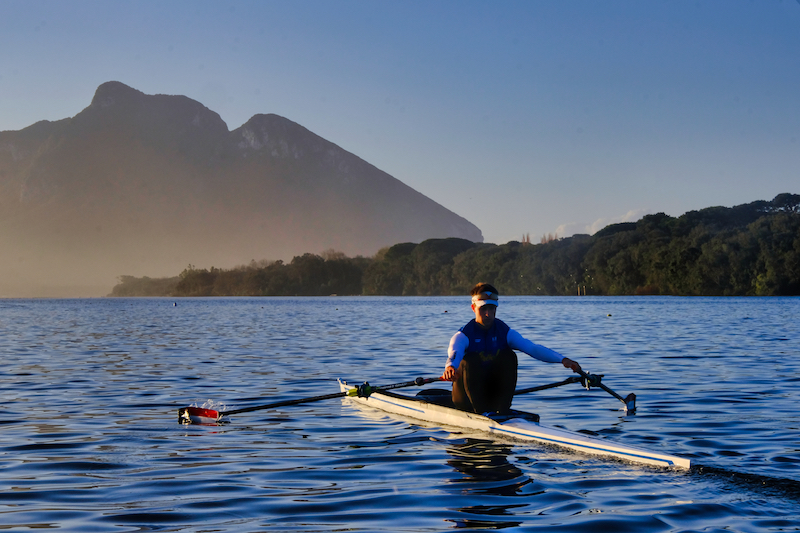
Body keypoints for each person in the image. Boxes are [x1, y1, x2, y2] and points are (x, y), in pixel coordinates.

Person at [441, 282, 581, 415]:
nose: (488, 314)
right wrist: (450, 367)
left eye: (491, 308)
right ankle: (481, 413)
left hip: (490, 393)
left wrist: (562, 359)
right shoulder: (463, 335)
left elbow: (532, 348)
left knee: (509, 356)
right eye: (483, 309)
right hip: (465, 399)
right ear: (473, 308)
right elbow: (454, 353)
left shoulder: (504, 332)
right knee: (470, 360)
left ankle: (503, 410)